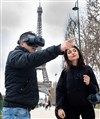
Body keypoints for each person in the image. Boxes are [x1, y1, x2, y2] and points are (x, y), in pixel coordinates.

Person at [2, 31, 76, 119]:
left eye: (36, 45)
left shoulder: (25, 59)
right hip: (15, 111)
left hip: (20, 110)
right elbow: (33, 59)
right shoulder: (15, 55)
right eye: (31, 43)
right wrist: (58, 49)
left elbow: (36, 58)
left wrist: (64, 51)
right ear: (22, 43)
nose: (35, 47)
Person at [55, 46, 99, 119]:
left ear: (78, 53)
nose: (72, 53)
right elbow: (60, 90)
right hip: (71, 108)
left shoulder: (88, 69)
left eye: (74, 51)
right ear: (67, 57)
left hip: (87, 107)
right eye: (69, 52)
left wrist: (89, 84)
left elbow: (96, 89)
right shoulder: (65, 72)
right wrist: (59, 107)